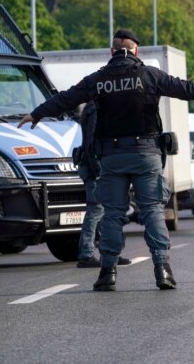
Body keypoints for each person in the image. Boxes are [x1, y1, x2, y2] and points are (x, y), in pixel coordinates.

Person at [18, 29, 194, 291]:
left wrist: (36, 114)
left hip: (112, 157)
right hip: (146, 154)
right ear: (136, 51)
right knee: (152, 210)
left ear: (112, 52)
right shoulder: (149, 76)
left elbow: (66, 98)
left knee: (112, 214)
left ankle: (107, 273)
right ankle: (163, 271)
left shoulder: (98, 79)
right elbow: (188, 89)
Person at [75, 101, 131, 268]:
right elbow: (92, 142)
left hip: (95, 166)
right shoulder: (96, 109)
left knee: (105, 211)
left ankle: (111, 252)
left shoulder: (93, 108)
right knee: (97, 210)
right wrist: (98, 169)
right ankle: (86, 253)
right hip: (96, 168)